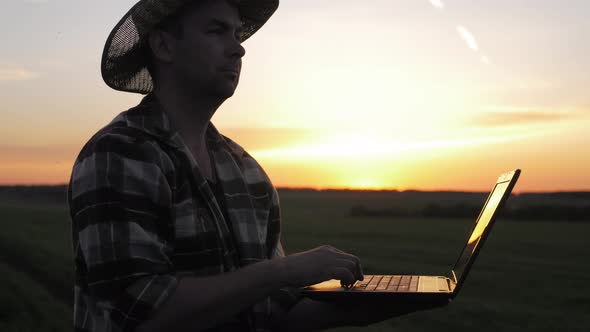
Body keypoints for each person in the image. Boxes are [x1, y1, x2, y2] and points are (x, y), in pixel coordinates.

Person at [68, 0, 444, 331]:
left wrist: (356, 310)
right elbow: (142, 316)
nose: (239, 50)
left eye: (237, 34)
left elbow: (271, 315)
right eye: (217, 30)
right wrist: (285, 271)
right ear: (164, 44)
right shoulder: (119, 155)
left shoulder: (247, 173)